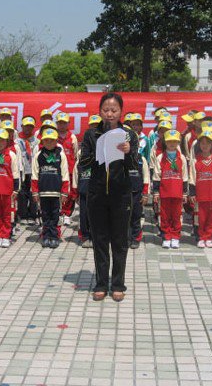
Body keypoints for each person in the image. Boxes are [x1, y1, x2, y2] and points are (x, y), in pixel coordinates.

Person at [79, 92, 139, 302]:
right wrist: (98, 150)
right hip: (97, 195)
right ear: (100, 111)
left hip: (120, 195)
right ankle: (101, 283)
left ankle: (118, 284)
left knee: (120, 241)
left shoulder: (128, 135)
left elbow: (134, 166)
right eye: (106, 110)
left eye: (114, 110)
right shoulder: (91, 135)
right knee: (100, 240)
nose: (110, 113)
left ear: (121, 111)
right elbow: (83, 164)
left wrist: (128, 152)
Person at [31, 128, 69, 248]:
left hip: (56, 192)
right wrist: (35, 192)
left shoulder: (61, 155)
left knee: (55, 216)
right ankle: (46, 236)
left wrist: (64, 193)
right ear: (42, 141)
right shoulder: (38, 155)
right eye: (46, 140)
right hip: (43, 192)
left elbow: (65, 174)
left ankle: (54, 236)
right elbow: (34, 174)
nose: (49, 143)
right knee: (45, 215)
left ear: (56, 141)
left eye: (51, 140)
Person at [152, 130, 188, 249]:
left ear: (178, 142)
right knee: (165, 215)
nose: (172, 144)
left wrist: (184, 193)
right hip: (164, 192)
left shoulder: (181, 157)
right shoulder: (160, 157)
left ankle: (175, 237)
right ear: (165, 142)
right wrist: (156, 192)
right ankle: (166, 236)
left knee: (177, 215)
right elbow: (156, 175)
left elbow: (185, 176)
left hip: (177, 193)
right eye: (169, 141)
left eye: (174, 141)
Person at [189, 130, 212, 248]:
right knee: (200, 218)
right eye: (202, 143)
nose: (205, 146)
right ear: (199, 145)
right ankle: (201, 237)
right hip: (200, 196)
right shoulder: (195, 161)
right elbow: (192, 178)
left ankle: (208, 237)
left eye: (207, 143)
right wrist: (192, 193)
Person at [55, 112, 78, 226]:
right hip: (56, 170)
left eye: (64, 123)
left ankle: (67, 214)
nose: (62, 125)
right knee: (58, 192)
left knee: (69, 193)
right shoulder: (53, 136)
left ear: (68, 123)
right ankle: (59, 212)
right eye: (60, 123)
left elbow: (75, 154)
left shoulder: (72, 137)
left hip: (69, 170)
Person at [17, 116, 39, 224]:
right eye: (26, 126)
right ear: (21, 126)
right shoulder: (17, 141)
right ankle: (23, 214)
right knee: (22, 193)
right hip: (22, 170)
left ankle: (33, 214)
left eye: (31, 126)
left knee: (32, 192)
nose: (28, 129)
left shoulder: (37, 141)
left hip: (33, 170)